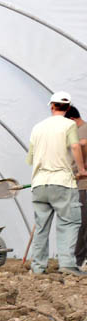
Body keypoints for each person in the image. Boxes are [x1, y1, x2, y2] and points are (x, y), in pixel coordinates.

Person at [27, 91, 87, 275]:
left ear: (52, 106)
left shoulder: (37, 127)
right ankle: (67, 264)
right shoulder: (69, 125)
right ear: (68, 108)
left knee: (41, 227)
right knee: (69, 223)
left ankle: (38, 267)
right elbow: (75, 146)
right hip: (62, 183)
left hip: (39, 184)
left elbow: (30, 158)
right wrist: (81, 170)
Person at [65, 106, 87, 267]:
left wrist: (81, 170)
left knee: (82, 223)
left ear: (72, 120)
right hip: (76, 184)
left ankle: (78, 260)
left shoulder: (83, 131)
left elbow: (82, 145)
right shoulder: (76, 132)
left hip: (83, 185)